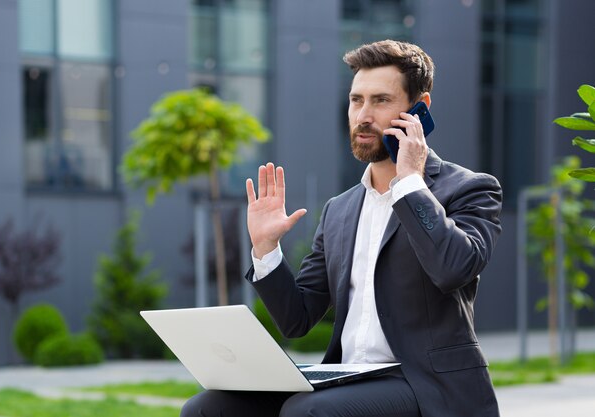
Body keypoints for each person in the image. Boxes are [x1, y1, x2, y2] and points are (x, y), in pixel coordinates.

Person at [181, 39, 502, 417]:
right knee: (206, 407)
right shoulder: (340, 209)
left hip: (424, 383)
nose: (363, 115)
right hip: (347, 378)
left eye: (380, 100)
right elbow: (297, 320)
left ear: (420, 108)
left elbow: (453, 268)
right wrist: (266, 248)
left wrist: (411, 182)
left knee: (308, 412)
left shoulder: (470, 188)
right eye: (356, 100)